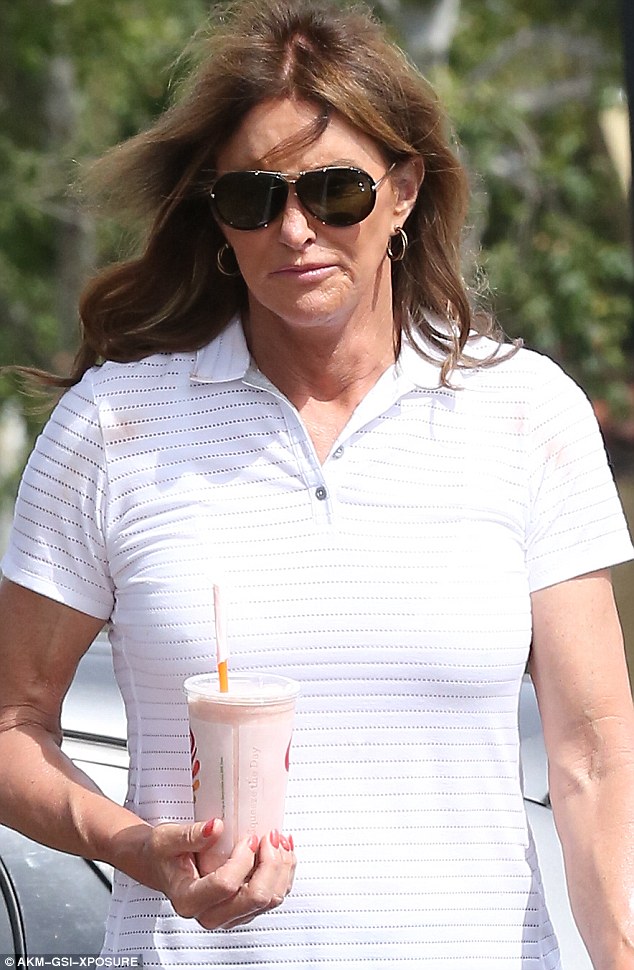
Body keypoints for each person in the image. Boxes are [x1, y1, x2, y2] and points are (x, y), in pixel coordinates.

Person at [1, 0, 633, 966]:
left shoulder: (525, 411)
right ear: (220, 217)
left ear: (404, 191)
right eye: (254, 198)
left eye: (335, 192)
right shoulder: (116, 426)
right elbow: (12, 724)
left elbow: (592, 759)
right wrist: (132, 847)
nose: (294, 229)